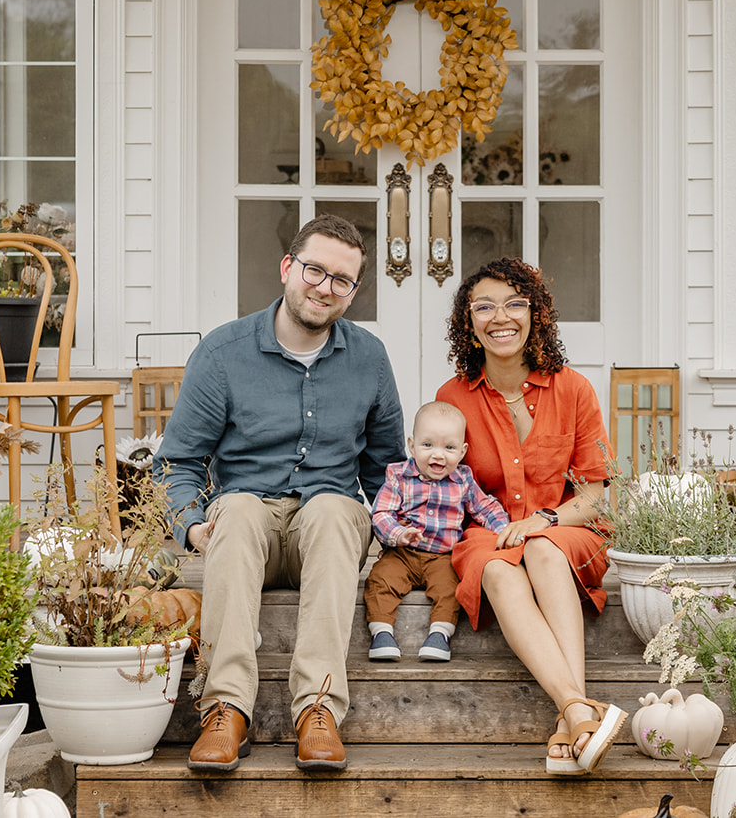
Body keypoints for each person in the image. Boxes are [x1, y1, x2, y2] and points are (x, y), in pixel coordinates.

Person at [153, 214, 405, 773]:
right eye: (315, 270)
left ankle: (318, 708)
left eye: (342, 280)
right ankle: (225, 709)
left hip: (326, 531)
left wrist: (401, 534)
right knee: (238, 509)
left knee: (339, 510)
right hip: (248, 531)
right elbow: (176, 462)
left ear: (353, 291)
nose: (325, 288)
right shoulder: (223, 353)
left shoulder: (369, 358)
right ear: (288, 267)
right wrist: (192, 525)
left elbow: (386, 470)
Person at [435, 256, 625, 775]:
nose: (501, 317)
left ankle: (573, 718)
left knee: (542, 549)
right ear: (468, 324)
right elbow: (443, 477)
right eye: (485, 306)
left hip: (565, 527)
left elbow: (594, 496)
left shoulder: (574, 389)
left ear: (535, 314)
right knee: (496, 567)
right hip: (488, 531)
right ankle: (577, 712)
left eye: (515, 303)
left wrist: (543, 519)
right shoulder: (453, 397)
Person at [363, 400, 509, 663]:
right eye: (427, 445)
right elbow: (381, 513)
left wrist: (505, 530)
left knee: (451, 589)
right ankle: (381, 632)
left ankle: (439, 634)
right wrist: (398, 533)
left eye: (449, 447)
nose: (437, 455)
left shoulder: (462, 480)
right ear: (412, 445)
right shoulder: (398, 477)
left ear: (462, 451)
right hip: (402, 553)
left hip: (442, 557)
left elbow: (485, 508)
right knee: (380, 580)